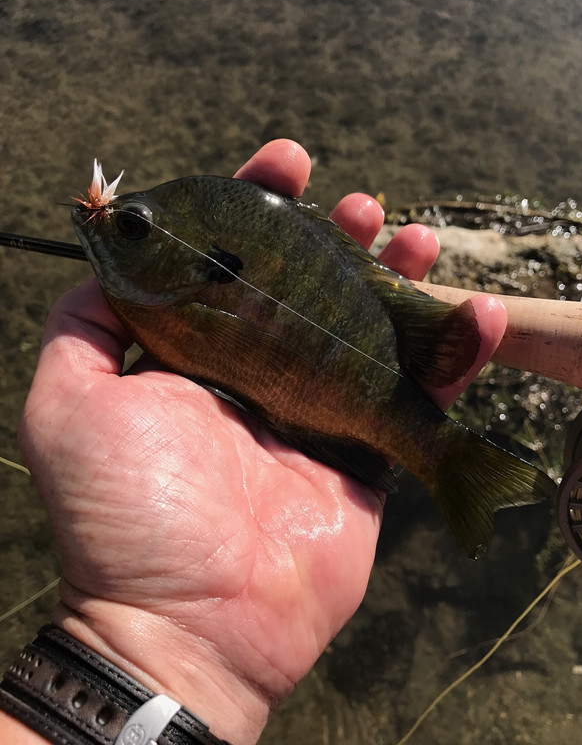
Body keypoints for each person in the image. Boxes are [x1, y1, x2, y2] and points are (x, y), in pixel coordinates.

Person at [0, 140, 507, 744]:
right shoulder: (167, 291)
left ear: (201, 263)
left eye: (135, 227)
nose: (114, 222)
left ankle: (456, 464)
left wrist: (128, 651)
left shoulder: (159, 300)